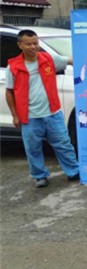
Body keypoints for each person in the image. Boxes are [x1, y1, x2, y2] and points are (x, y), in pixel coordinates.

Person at [5, 29, 80, 188]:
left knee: (63, 144)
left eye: (35, 43)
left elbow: (72, 61)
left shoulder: (49, 59)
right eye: (29, 44)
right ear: (20, 45)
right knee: (33, 149)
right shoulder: (13, 67)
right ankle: (40, 176)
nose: (33, 47)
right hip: (29, 116)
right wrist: (14, 115)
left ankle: (73, 171)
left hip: (53, 113)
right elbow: (9, 92)